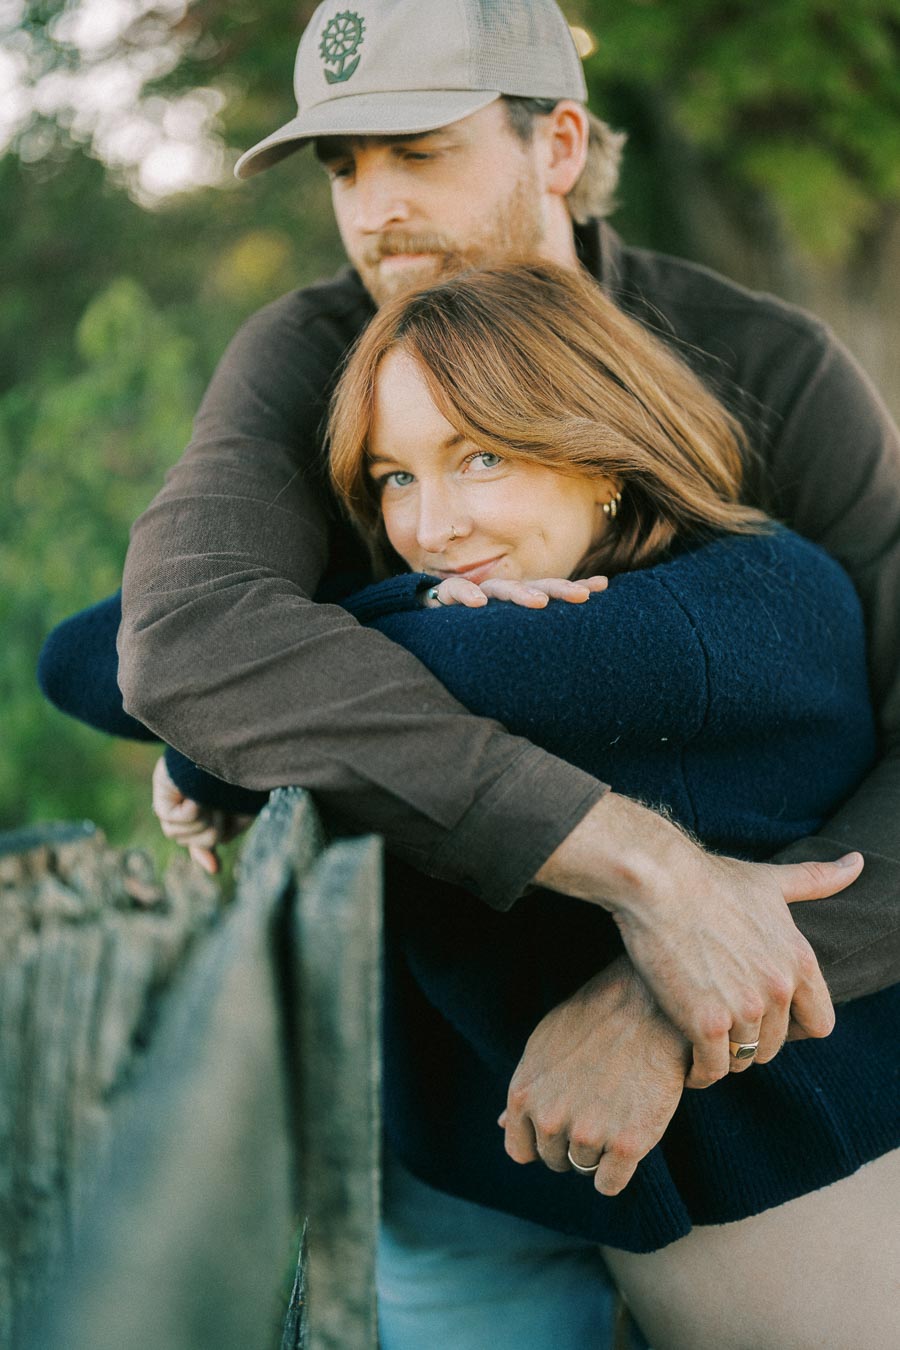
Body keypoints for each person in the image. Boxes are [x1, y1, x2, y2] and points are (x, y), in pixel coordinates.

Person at [39, 263, 900, 1349]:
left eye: (482, 457)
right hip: (540, 1171)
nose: (434, 524)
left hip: (785, 1186)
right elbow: (90, 656)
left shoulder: (731, 603)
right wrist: (358, 631)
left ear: (608, 463)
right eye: (394, 479)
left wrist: (228, 740)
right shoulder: (493, 589)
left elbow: (155, 664)